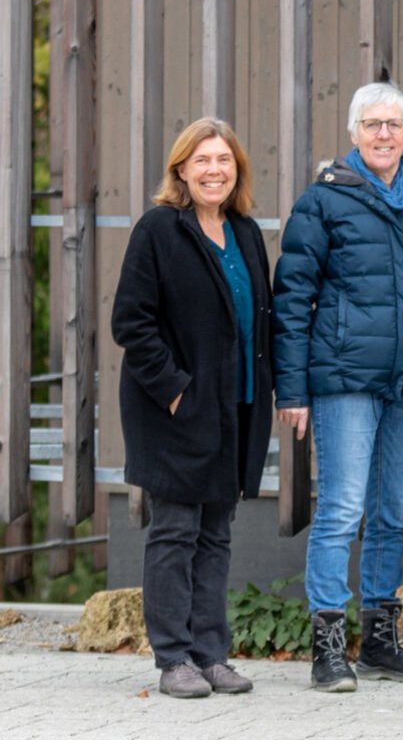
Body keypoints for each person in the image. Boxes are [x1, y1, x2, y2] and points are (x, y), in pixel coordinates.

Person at [275, 82, 403, 692]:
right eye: (372, 124)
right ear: (353, 133)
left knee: (390, 511)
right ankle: (327, 642)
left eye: (394, 124)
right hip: (345, 379)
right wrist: (291, 389)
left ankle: (378, 638)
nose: (383, 134)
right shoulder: (323, 201)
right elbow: (291, 300)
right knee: (343, 508)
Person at [112, 118, 272, 699]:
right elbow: (131, 320)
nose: (214, 170)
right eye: (202, 160)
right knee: (175, 531)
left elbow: (258, 322)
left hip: (236, 408)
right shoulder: (159, 230)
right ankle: (173, 657)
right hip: (174, 412)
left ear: (237, 171)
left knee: (215, 534)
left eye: (224, 161)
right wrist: (177, 388)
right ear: (181, 169)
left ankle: (210, 654)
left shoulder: (246, 233)